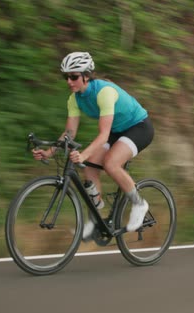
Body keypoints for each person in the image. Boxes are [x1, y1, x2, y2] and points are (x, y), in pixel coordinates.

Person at [32, 51, 154, 240]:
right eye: (66, 77)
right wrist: (49, 152)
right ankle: (96, 219)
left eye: (73, 76)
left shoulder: (104, 92)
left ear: (86, 76)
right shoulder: (74, 99)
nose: (69, 81)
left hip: (139, 127)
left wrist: (84, 154)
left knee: (111, 163)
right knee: (89, 168)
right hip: (117, 131)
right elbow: (69, 133)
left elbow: (103, 135)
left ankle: (139, 204)